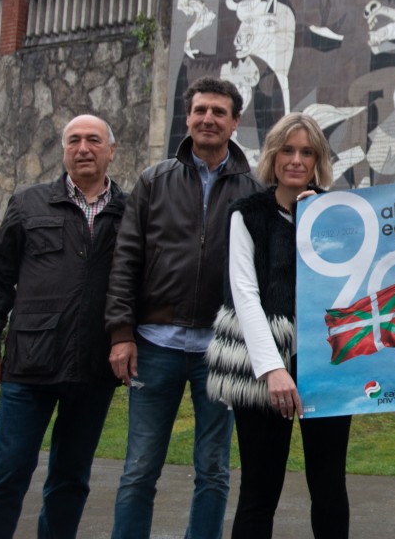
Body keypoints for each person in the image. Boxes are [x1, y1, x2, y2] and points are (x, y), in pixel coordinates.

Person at [105, 77, 262, 538]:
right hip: (156, 345)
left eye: (219, 112)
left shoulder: (254, 190)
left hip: (221, 349)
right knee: (139, 468)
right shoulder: (154, 180)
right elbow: (126, 258)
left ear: (235, 122)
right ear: (187, 117)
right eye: (200, 110)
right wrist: (121, 333)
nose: (208, 119)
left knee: (213, 469)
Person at [0, 114, 126, 539]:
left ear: (111, 150)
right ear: (64, 150)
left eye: (93, 140)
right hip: (30, 364)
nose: (83, 148)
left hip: (94, 366)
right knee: (7, 470)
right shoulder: (28, 203)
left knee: (71, 478)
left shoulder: (130, 212)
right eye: (74, 140)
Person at [205, 112, 352, 539]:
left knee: (329, 484)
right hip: (262, 364)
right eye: (287, 150)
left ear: (318, 159)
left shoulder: (338, 214)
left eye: (307, 152)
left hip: (326, 361)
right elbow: (244, 294)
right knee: (259, 488)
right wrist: (272, 369)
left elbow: (385, 243)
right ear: (273, 154)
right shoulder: (246, 214)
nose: (296, 160)